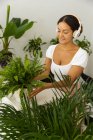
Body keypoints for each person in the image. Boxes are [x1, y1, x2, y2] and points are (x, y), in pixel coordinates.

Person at [29, 14, 88, 105]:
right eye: (59, 31)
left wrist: (46, 86)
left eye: (65, 32)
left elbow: (69, 81)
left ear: (75, 33)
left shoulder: (81, 54)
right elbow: (45, 72)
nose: (61, 35)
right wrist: (28, 79)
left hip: (73, 94)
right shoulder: (52, 48)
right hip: (56, 91)